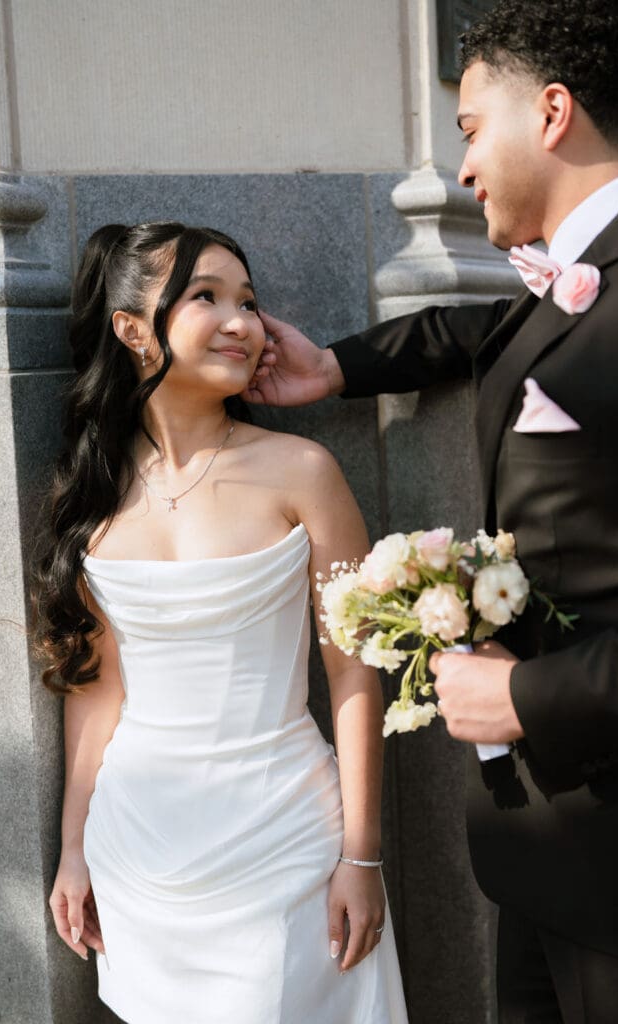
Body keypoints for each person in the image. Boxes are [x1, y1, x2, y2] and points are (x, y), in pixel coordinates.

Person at [245, 1, 618, 1021]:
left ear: (550, 113)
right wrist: (337, 364)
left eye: (469, 130)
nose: (460, 167)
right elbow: (488, 332)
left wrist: (527, 702)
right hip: (544, 862)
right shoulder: (574, 275)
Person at [31, 221, 408, 1024]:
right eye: (206, 297)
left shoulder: (302, 472)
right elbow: (95, 694)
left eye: (248, 300)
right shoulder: (91, 494)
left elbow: (353, 671)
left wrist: (361, 854)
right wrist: (72, 850)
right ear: (132, 330)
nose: (244, 322)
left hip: (286, 836)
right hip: (137, 848)